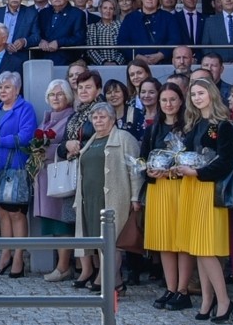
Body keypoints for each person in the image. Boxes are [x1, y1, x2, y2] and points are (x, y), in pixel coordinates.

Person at [173, 79, 233, 322]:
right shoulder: (195, 124)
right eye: (193, 94)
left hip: (209, 189)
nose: (197, 98)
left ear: (211, 94)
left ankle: (225, 301)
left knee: (207, 249)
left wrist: (198, 172)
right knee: (197, 248)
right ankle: (207, 300)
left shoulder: (223, 125)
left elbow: (226, 161)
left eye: (201, 93)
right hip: (192, 187)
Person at [71, 102, 141, 294]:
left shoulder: (124, 138)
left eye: (102, 117)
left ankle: (105, 279)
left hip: (115, 197)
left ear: (112, 119)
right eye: (95, 117)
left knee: (113, 242)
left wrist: (135, 196)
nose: (98, 121)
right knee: (98, 240)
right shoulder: (91, 140)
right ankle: (116, 283)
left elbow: (135, 169)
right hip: (90, 199)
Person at [0, 71, 37, 276]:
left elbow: (27, 136)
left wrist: (1, 140)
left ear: (17, 89)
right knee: (1, 212)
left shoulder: (25, 108)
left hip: (15, 166)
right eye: (0, 87)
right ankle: (5, 254)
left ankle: (18, 258)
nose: (2, 91)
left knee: (16, 213)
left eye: (7, 87)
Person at [141, 82, 190, 307]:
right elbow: (143, 159)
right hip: (159, 189)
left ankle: (183, 290)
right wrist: (148, 171)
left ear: (181, 101)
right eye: (164, 100)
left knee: (182, 240)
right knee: (165, 240)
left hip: (181, 187)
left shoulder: (189, 127)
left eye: (172, 99)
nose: (168, 104)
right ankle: (170, 288)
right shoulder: (153, 129)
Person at [36, 79, 78, 281]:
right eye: (52, 94)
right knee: (53, 223)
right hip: (46, 176)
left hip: (61, 176)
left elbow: (70, 144)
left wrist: (45, 150)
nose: (55, 98)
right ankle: (61, 265)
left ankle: (63, 267)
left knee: (63, 223)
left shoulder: (71, 118)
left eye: (60, 94)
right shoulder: (48, 118)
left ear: (68, 97)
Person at [117, 0, 181, 65]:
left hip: (163, 64)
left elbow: (175, 40)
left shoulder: (168, 18)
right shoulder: (130, 18)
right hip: (136, 65)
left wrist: (160, 55)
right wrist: (137, 56)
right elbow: (122, 41)